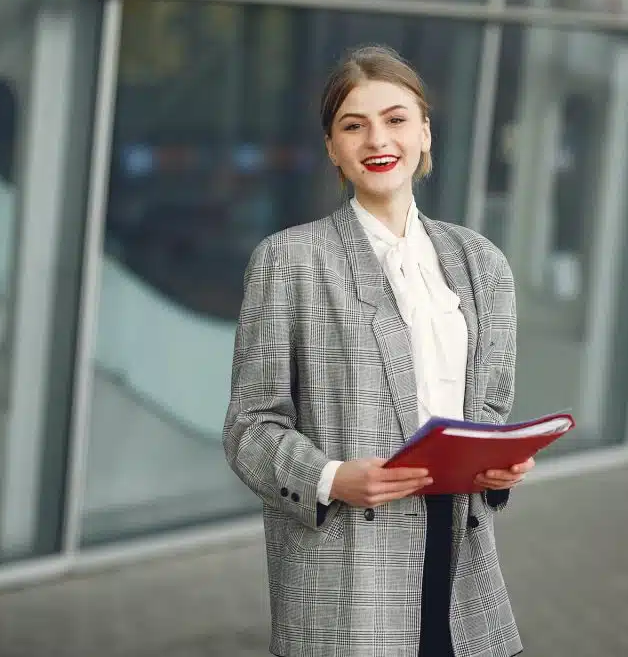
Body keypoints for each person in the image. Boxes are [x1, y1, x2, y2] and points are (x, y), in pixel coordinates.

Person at [223, 44, 533, 657]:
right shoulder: (288, 263)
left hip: (460, 564)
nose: (376, 139)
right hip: (347, 571)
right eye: (353, 125)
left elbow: (491, 411)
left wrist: (499, 470)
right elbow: (249, 430)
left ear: (424, 131)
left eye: (394, 119)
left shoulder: (481, 265)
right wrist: (332, 478)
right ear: (333, 149)